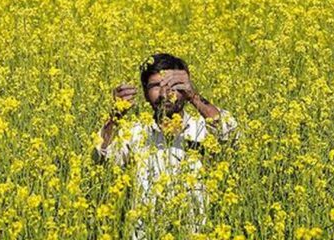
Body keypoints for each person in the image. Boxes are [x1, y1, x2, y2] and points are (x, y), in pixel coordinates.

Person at [92, 53, 239, 239]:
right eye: (155, 86)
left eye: (174, 85)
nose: (164, 94)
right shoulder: (135, 133)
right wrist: (115, 116)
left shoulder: (203, 129)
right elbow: (101, 158)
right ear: (145, 94)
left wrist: (194, 97)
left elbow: (231, 135)